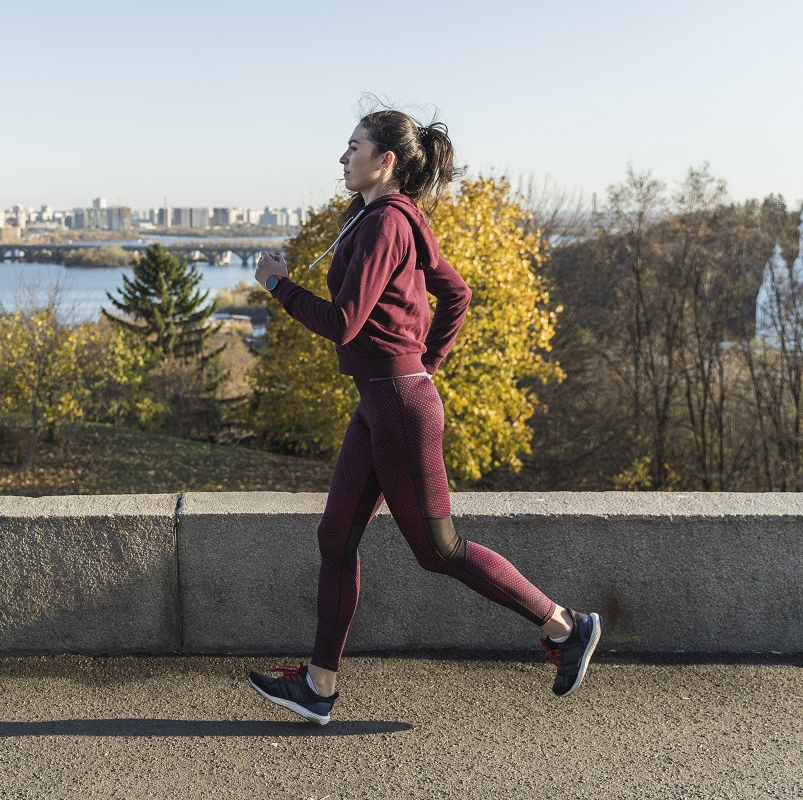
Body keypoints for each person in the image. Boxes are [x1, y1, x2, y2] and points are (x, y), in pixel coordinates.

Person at [246, 108, 601, 726]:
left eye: (352, 146)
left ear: (383, 161)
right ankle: (319, 685)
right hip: (383, 401)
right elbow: (455, 295)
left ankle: (566, 627)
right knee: (336, 537)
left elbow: (344, 323)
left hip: (401, 410)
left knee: (441, 550)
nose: (342, 158)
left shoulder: (387, 222)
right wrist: (422, 365)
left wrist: (278, 287)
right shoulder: (386, 218)